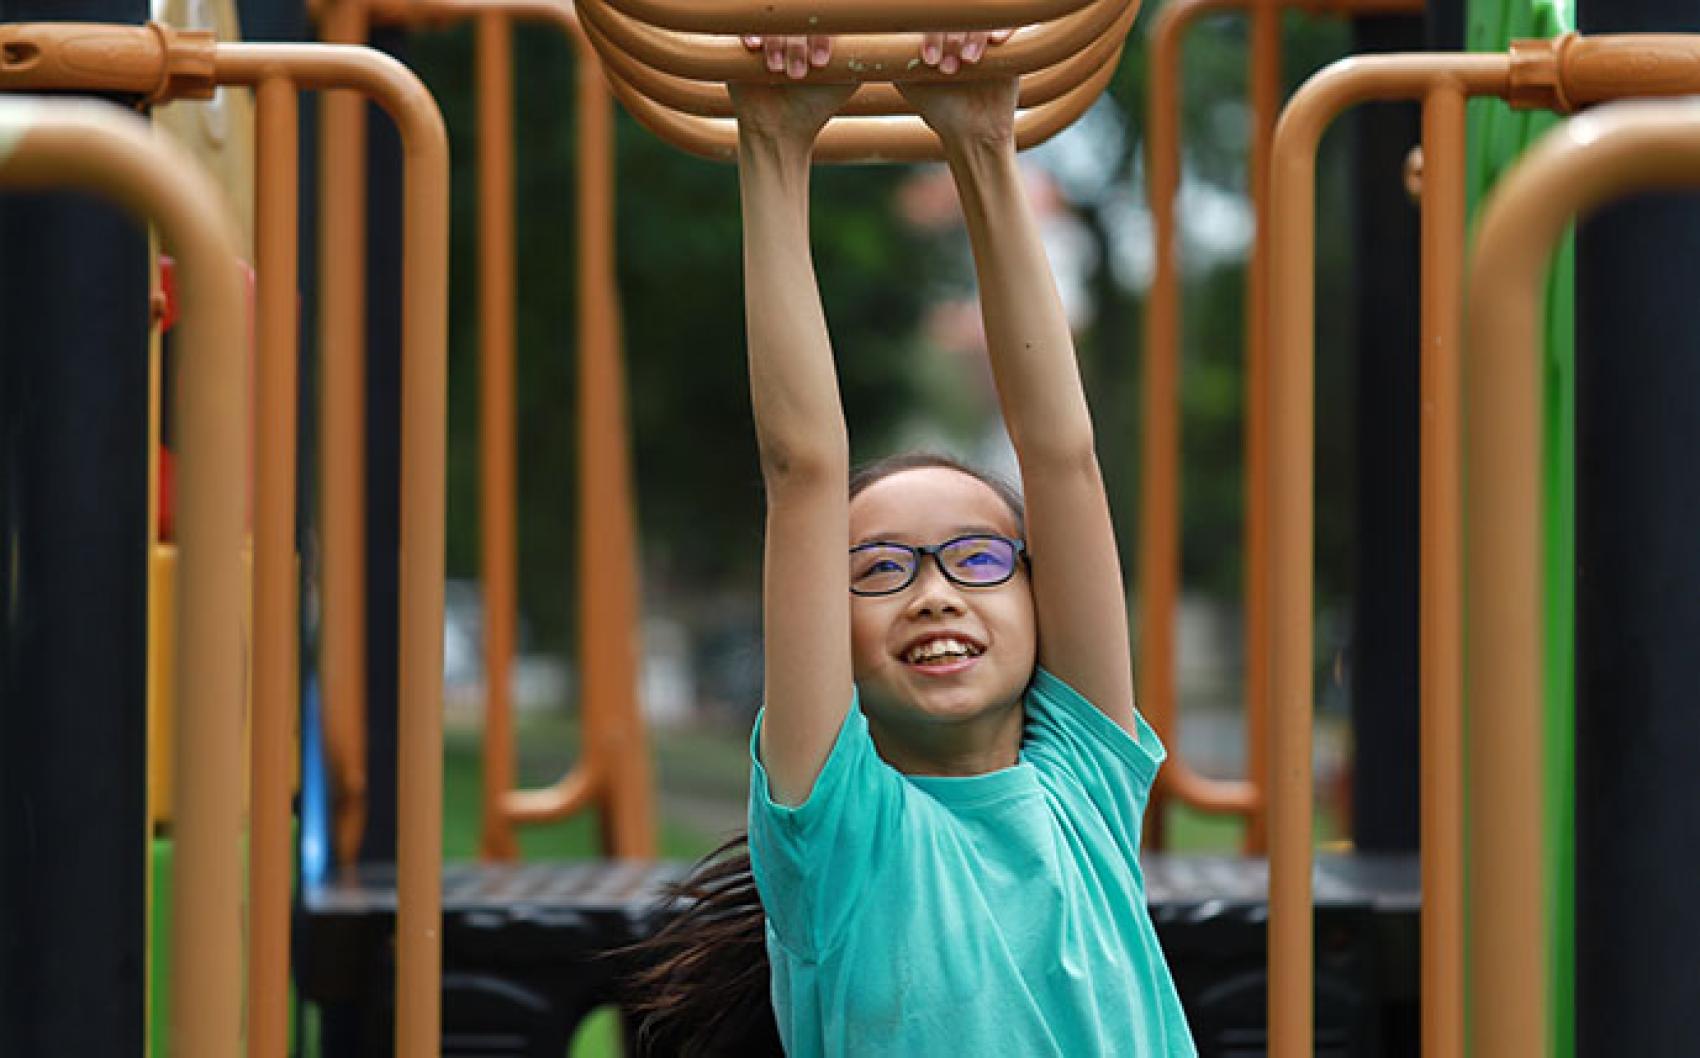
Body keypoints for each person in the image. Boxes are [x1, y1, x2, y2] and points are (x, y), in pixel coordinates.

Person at [628, 31, 1197, 1058]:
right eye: (880, 569)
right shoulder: (837, 833)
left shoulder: (1084, 781)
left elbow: (1060, 457)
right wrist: (771, 144)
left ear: (1038, 598)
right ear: (828, 635)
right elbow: (804, 467)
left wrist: (982, 146)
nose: (934, 592)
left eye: (977, 558)